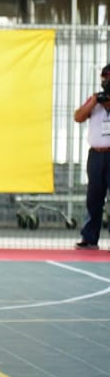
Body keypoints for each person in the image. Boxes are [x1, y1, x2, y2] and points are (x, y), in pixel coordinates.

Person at [73, 62, 110, 250]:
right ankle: (89, 237)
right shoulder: (94, 101)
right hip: (96, 154)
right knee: (94, 197)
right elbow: (78, 117)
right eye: (105, 77)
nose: (107, 81)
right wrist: (95, 101)